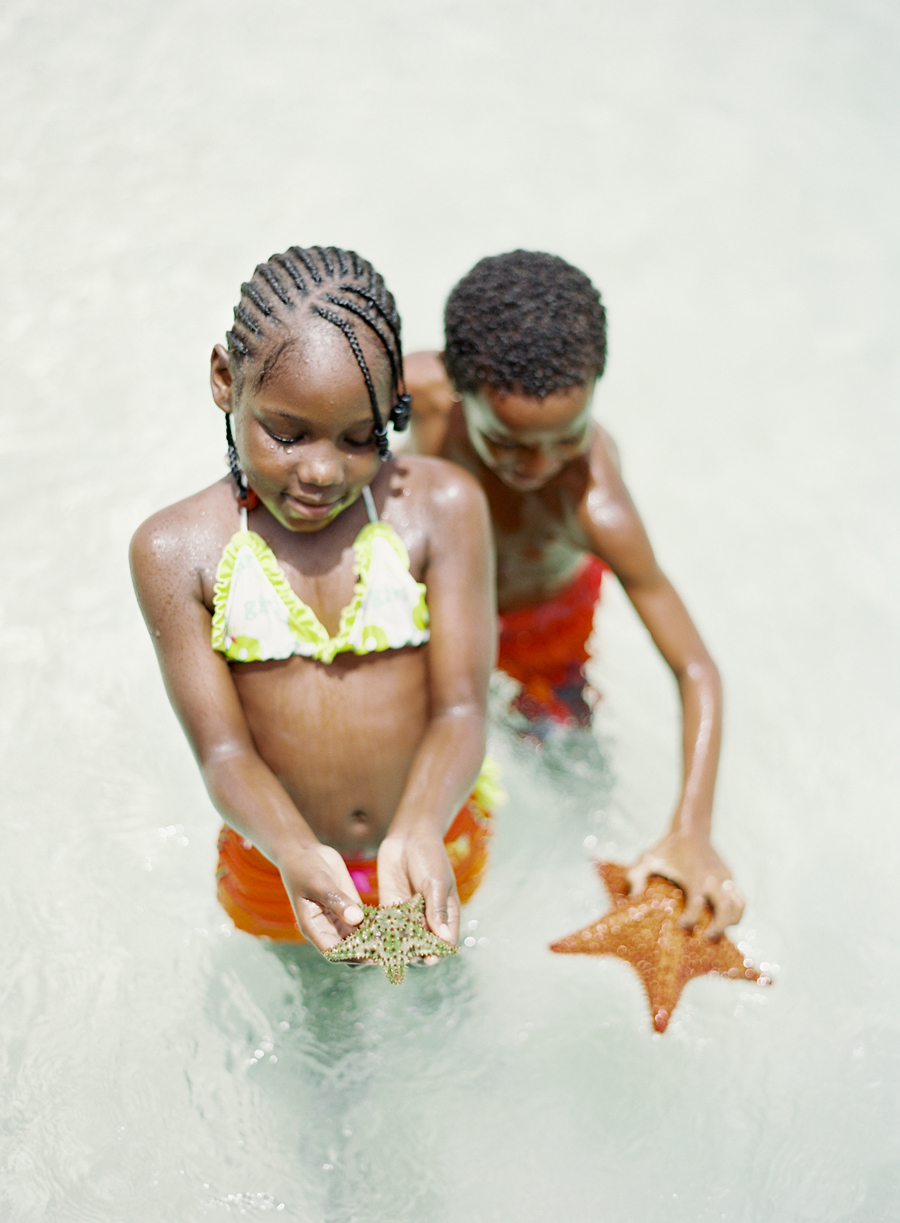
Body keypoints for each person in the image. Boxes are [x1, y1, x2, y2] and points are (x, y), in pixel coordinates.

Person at [130, 245, 497, 958]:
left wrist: (421, 825)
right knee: (323, 1051)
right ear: (222, 379)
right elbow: (224, 751)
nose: (323, 470)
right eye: (287, 433)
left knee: (443, 1009)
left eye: (363, 438)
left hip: (435, 833)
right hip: (279, 864)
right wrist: (296, 851)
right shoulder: (177, 552)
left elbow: (462, 708)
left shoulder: (442, 506)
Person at [405, 250, 743, 938]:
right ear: (454, 388)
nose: (539, 464)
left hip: (540, 630)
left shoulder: (592, 506)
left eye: (569, 437)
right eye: (507, 444)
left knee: (569, 772)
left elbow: (696, 668)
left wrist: (692, 827)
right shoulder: (414, 389)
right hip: (435, 603)